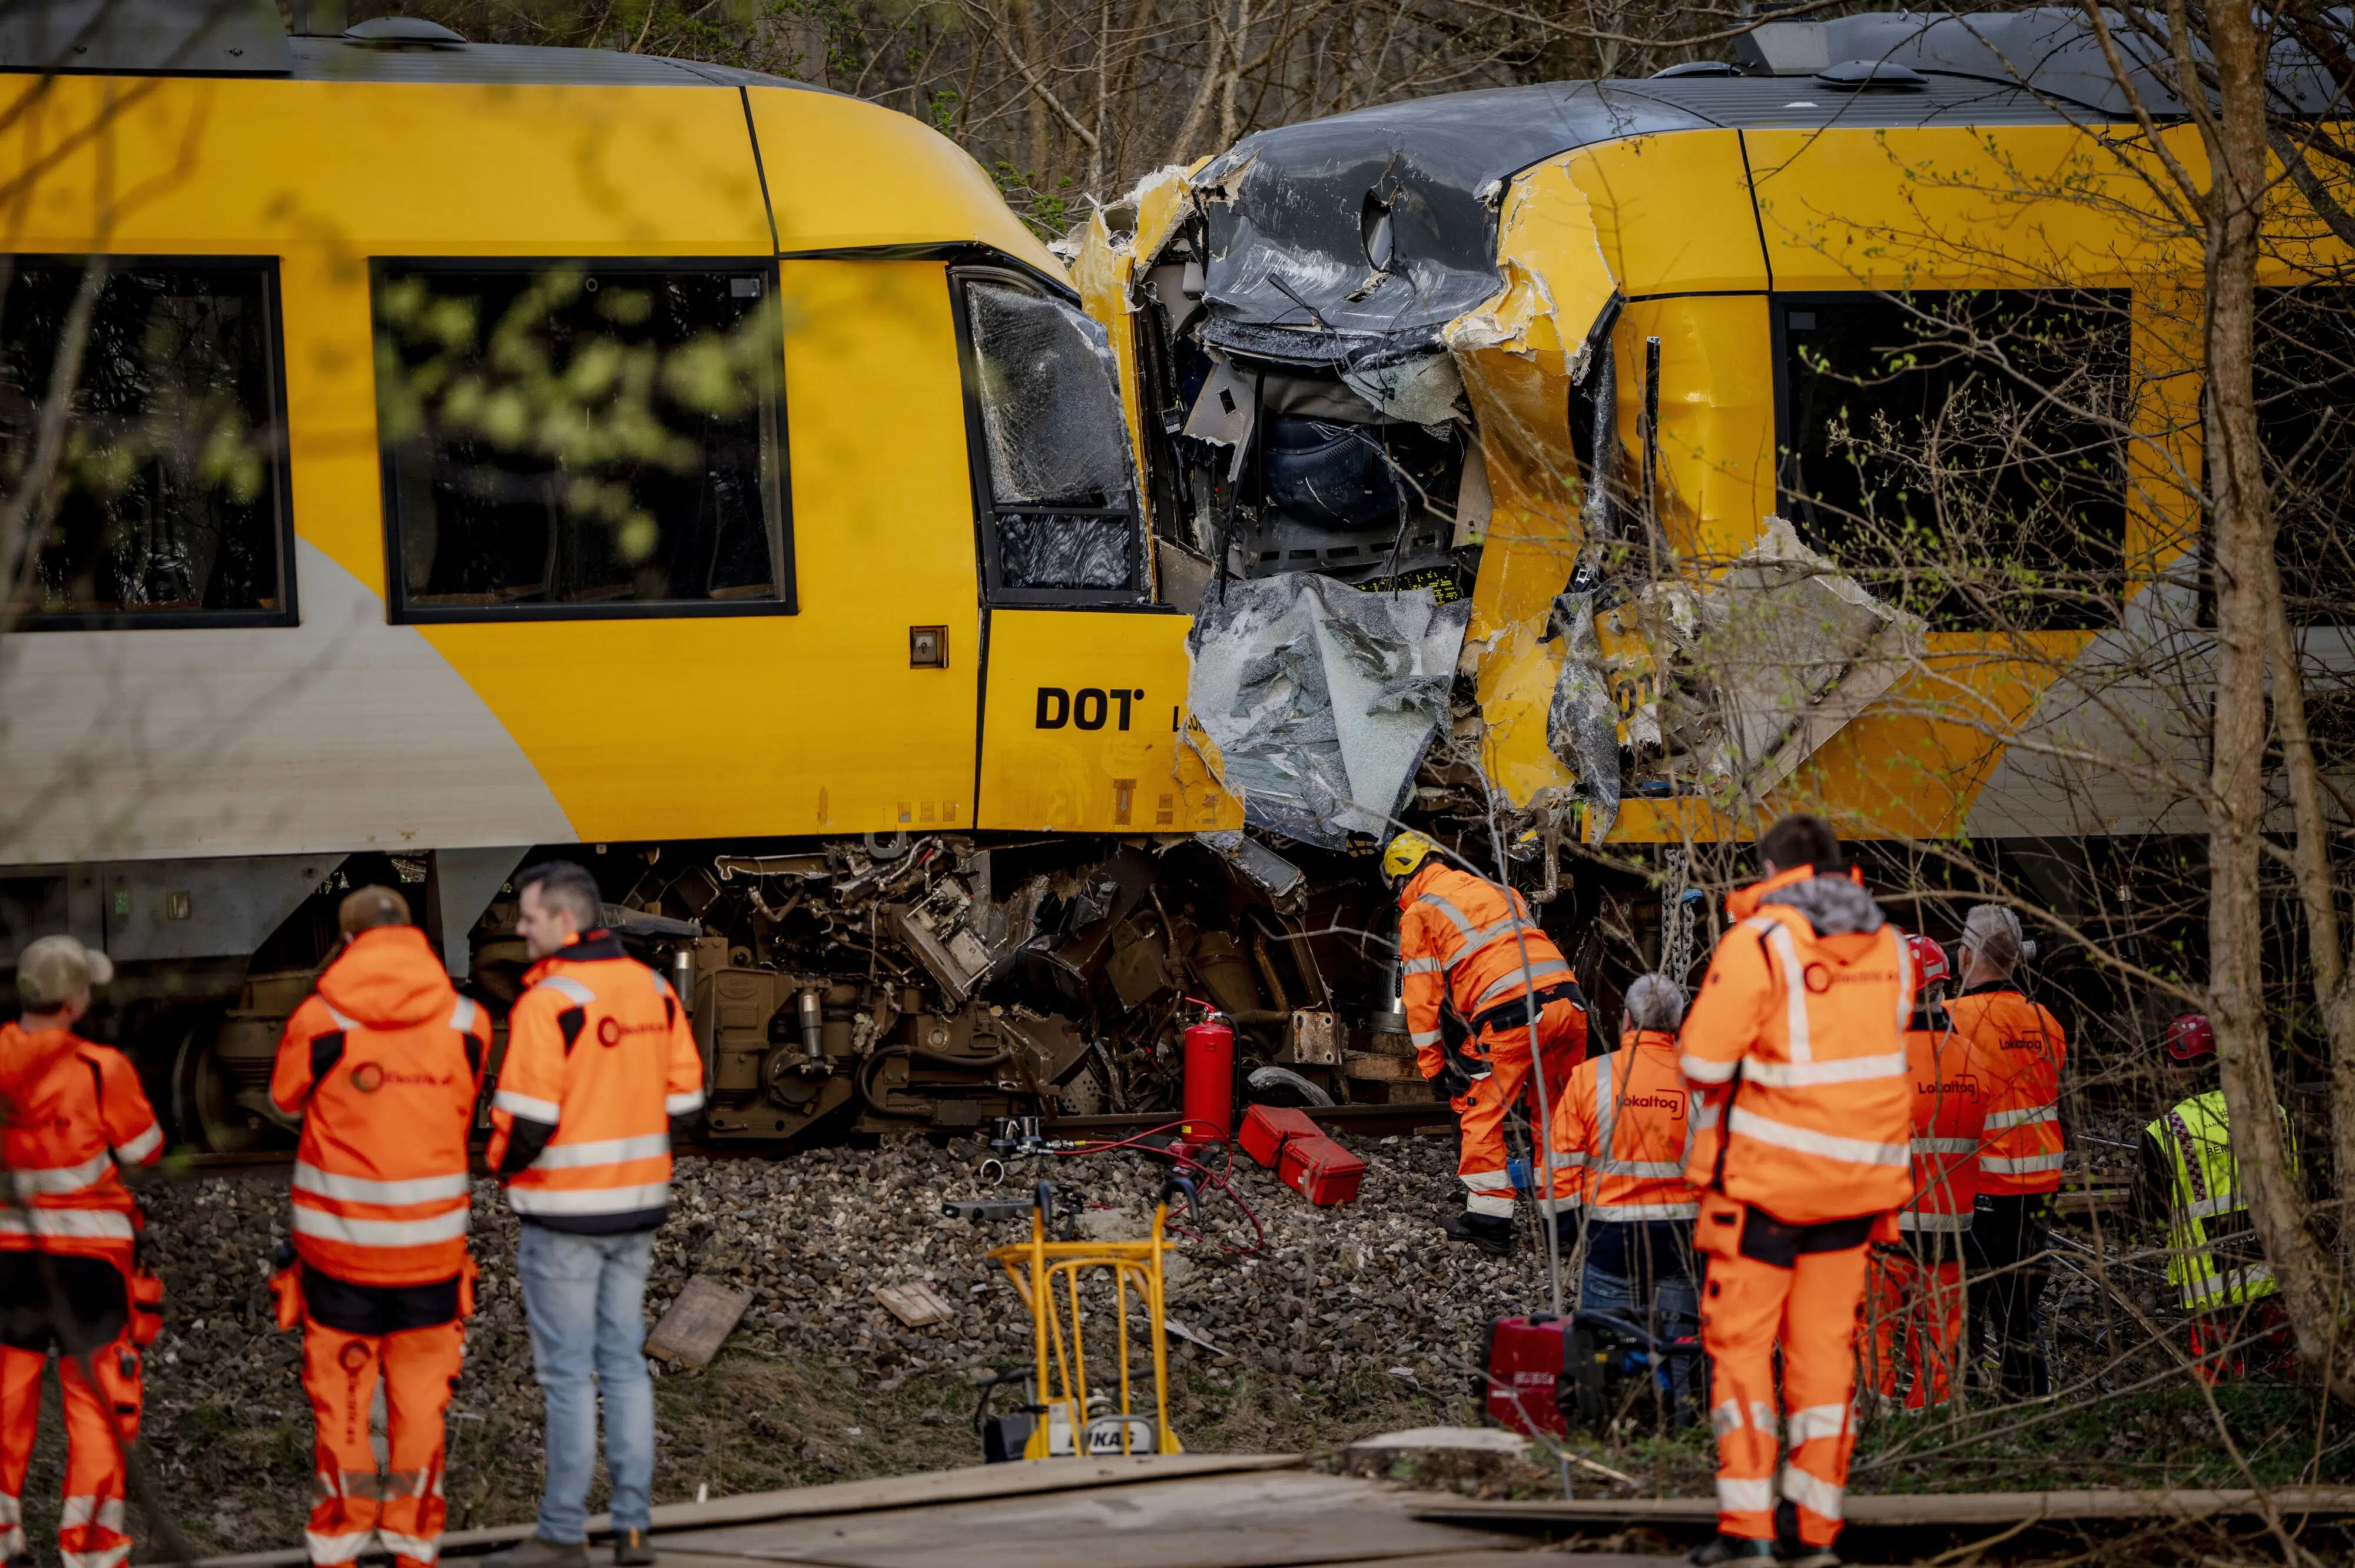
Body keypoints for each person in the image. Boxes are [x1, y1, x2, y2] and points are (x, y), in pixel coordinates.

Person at [1676, 815, 1913, 1568]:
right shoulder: (1891, 948)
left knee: (1741, 1349)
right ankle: (1815, 1533)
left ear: (1771, 869)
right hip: (1856, 1189)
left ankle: (1746, 1531)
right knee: (1824, 1361)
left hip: (1767, 1189)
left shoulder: (1761, 941)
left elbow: (1704, 1064)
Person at [483, 861, 704, 1568]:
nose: (519, 928)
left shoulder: (550, 1001)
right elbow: (687, 1107)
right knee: (625, 1366)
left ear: (565, 920)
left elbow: (525, 1127)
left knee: (570, 1377)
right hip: (636, 1211)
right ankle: (633, 1528)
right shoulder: (652, 990)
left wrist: (499, 1168)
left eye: (529, 916)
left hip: (564, 1219)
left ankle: (560, 1534)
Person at [272, 886, 491, 1568]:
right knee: (421, 1406)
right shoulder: (467, 1020)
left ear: (346, 942)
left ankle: (341, 1537)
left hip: (340, 1256)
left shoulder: (321, 1018)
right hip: (431, 1256)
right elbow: (465, 1100)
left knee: (341, 1405)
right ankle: (409, 1538)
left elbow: (284, 1097)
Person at [0, 935, 163, 1568]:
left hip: (10, 1261)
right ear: (73, 1002)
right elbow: (146, 1148)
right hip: (92, 1267)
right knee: (97, 1411)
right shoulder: (101, 1067)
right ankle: (91, 1552)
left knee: (7, 1405)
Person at [1386, 830, 1589, 1258]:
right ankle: (1564, 1228)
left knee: (1476, 1109)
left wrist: (1434, 1067)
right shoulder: (1502, 891)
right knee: (1556, 1118)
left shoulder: (1420, 912)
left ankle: (1489, 1223)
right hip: (1568, 1004)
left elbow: (1422, 1000)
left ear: (1402, 879)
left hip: (1512, 1014)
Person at [1551, 973, 1700, 1417]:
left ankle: (1610, 1423)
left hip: (1610, 1238)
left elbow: (1560, 1170)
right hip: (1682, 1239)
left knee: (1606, 1342)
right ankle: (1679, 1426)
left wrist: (1569, 1231)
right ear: (1677, 1027)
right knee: (1678, 1345)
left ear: (1626, 1021)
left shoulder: (1588, 1078)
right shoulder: (1702, 1084)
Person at [2132, 1014, 2296, 1379]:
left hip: (2214, 1290)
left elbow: (2146, 1216)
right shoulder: (2276, 1116)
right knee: (2286, 1381)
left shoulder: (2168, 1131)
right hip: (2279, 1276)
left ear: (2173, 1066)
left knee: (2223, 1385)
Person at [1948, 904, 2066, 1397]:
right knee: (2022, 1315)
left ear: (1965, 956)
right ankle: (2030, 1412)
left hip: (1983, 1191)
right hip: (2039, 1190)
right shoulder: (2047, 1023)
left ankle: (1973, 1413)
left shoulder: (1953, 1019)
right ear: (2018, 959)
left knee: (1968, 1312)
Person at [1865, 935, 1984, 1411]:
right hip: (1954, 1233)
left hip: (1887, 1235)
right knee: (1940, 1344)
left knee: (1874, 1336)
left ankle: (1879, 1422)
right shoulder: (1976, 1061)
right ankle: (1933, 1422)